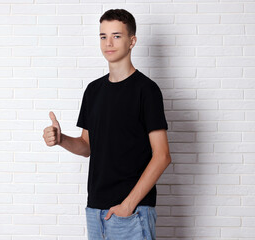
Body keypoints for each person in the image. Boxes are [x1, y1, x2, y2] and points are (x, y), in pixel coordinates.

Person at [43, 9, 171, 240]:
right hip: (95, 212)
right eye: (103, 36)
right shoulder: (93, 91)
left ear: (132, 41)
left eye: (116, 36)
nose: (108, 43)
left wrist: (127, 205)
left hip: (132, 213)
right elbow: (86, 146)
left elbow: (162, 156)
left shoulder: (147, 90)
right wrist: (61, 139)